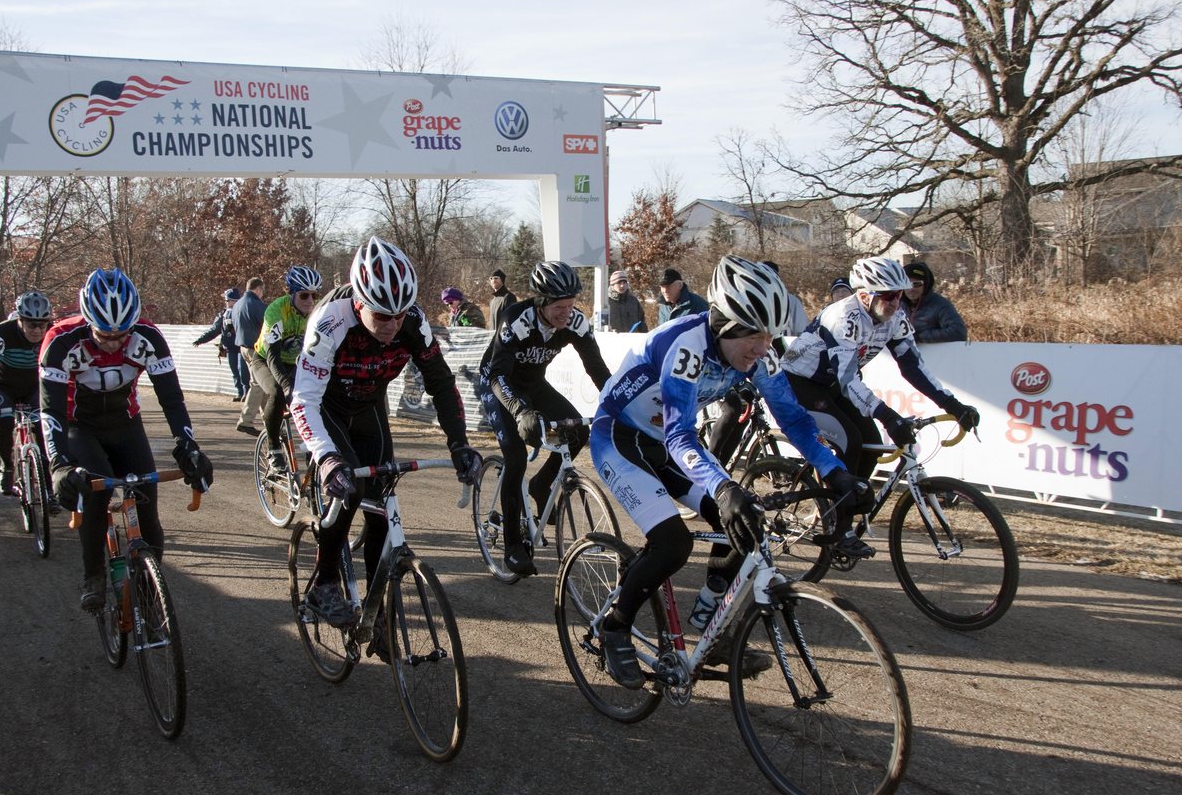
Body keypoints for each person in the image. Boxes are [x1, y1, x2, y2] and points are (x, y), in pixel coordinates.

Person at [589, 256, 869, 689]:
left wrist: (835, 472)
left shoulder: (760, 355)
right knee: (672, 543)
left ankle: (711, 631)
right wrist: (723, 487)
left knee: (745, 524)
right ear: (725, 324)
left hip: (664, 443)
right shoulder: (684, 345)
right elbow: (682, 434)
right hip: (620, 437)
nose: (763, 349)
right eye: (755, 337)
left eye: (769, 338)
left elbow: (794, 420)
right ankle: (615, 626)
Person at [289, 237, 481, 637]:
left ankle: (376, 613)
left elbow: (442, 385)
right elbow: (303, 400)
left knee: (380, 503)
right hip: (327, 408)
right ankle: (324, 583)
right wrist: (326, 458)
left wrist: (459, 443)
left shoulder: (413, 322)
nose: (392, 325)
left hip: (369, 408)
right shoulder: (329, 321)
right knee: (350, 491)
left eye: (400, 315)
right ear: (359, 302)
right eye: (382, 316)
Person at [41, 268, 213, 612]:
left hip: (125, 423)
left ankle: (151, 594)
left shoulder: (149, 336)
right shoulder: (61, 340)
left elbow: (172, 400)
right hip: (80, 426)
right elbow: (51, 411)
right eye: (105, 334)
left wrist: (188, 446)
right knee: (94, 491)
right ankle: (93, 576)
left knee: (148, 506)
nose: (115, 342)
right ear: (88, 320)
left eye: (123, 334)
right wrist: (59, 464)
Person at [781, 256, 979, 524]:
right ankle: (838, 524)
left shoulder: (896, 317)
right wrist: (888, 416)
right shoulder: (842, 317)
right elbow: (848, 379)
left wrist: (952, 404)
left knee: (871, 445)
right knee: (849, 440)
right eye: (888, 296)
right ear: (864, 296)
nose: (897, 303)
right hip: (801, 382)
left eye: (899, 295)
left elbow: (913, 366)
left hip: (834, 384)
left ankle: (843, 511)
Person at [476, 260, 613, 577]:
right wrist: (519, 410)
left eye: (571, 304)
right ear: (540, 301)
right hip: (500, 384)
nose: (566, 312)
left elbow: (597, 369)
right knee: (515, 457)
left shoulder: (575, 322)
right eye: (559, 306)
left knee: (577, 431)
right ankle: (512, 546)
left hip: (534, 384)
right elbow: (498, 375)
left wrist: (618, 402)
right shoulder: (517, 320)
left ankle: (541, 485)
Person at [705, 260, 808, 467]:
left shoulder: (772, 313)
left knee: (745, 413)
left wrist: (786, 380)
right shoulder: (743, 306)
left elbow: (779, 351)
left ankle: (723, 468)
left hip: (742, 372)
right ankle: (711, 461)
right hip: (722, 370)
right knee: (734, 408)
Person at [0, 291, 56, 499]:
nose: (38, 330)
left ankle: (48, 486)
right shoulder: (3, 333)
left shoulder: (53, 333)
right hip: (5, 386)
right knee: (4, 422)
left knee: (44, 430)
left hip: (34, 387)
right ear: (19, 320)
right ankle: (7, 467)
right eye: (31, 324)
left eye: (42, 324)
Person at [256, 265, 324, 471]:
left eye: (314, 295)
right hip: (266, 360)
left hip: (297, 362)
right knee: (278, 392)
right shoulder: (276, 311)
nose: (311, 301)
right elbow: (272, 355)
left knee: (317, 397)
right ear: (292, 293)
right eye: (304, 295)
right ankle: (274, 449)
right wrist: (287, 386)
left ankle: (313, 447)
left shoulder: (320, 311)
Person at [192, 287, 247, 401]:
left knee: (243, 372)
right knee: (235, 372)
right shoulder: (223, 314)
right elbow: (215, 330)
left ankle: (247, 393)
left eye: (227, 300)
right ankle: (240, 392)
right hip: (231, 348)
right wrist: (201, 340)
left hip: (242, 346)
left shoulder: (243, 311)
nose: (226, 302)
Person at [233, 277, 267, 436]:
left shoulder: (238, 304)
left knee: (261, 383)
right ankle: (245, 420)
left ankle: (269, 418)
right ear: (258, 289)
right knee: (258, 384)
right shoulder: (256, 305)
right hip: (255, 348)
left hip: (243, 347)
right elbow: (267, 325)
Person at [901, 260, 967, 343]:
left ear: (926, 285)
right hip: (898, 354)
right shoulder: (895, 304)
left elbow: (958, 332)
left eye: (917, 284)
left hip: (932, 354)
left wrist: (920, 337)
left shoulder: (940, 305)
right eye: (907, 284)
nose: (911, 289)